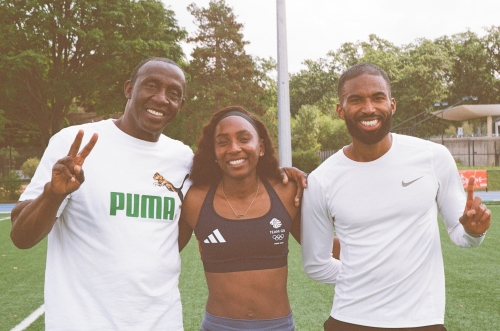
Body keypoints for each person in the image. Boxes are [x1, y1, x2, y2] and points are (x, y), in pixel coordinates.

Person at [10, 58, 306, 331]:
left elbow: (236, 169)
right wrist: (53, 195)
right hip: (83, 321)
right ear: (129, 89)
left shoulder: (181, 158)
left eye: (173, 93)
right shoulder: (74, 142)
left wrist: (281, 172)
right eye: (151, 85)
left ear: (180, 103)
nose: (161, 98)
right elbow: (21, 237)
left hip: (161, 322)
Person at [301, 63, 491, 331]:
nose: (369, 108)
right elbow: (315, 265)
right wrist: (367, 280)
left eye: (377, 98)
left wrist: (473, 231)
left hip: (423, 322)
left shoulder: (432, 158)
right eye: (356, 100)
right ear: (340, 110)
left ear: (392, 104)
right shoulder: (322, 179)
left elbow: (461, 235)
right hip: (350, 321)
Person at [178, 106, 335, 331]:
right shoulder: (195, 200)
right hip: (218, 326)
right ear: (213, 151)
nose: (234, 148)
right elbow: (164, 252)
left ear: (260, 147)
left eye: (244, 139)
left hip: (277, 326)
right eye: (222, 142)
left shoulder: (287, 192)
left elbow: (325, 247)